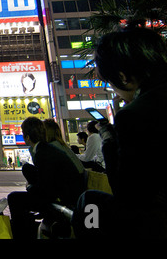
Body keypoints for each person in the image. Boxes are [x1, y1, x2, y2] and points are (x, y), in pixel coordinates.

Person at [72, 27, 167, 239]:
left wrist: (108, 135)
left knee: (90, 204)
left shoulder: (136, 114)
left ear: (124, 77)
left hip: (155, 222)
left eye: (112, 84)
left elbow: (125, 191)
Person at [7, 117, 86, 239]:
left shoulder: (42, 153)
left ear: (27, 137)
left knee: (14, 198)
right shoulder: (48, 148)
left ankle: (23, 234)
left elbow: (46, 187)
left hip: (63, 199)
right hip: (70, 194)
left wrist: (31, 188)